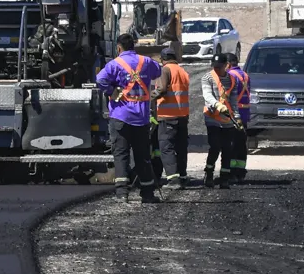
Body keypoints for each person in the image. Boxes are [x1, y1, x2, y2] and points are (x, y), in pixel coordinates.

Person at [96, 33, 163, 202]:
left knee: (121, 155)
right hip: (141, 117)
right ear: (134, 45)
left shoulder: (115, 64)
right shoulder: (145, 62)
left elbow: (100, 79)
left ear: (119, 48)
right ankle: (147, 194)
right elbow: (158, 71)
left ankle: (122, 194)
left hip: (120, 116)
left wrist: (112, 91)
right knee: (142, 156)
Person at [150, 48, 191, 190]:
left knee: (166, 148)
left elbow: (161, 89)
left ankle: (173, 180)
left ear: (163, 59)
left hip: (167, 116)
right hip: (182, 115)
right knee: (181, 148)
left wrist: (149, 97)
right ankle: (183, 176)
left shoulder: (165, 70)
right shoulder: (182, 71)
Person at [201, 52, 241, 189]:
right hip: (212, 118)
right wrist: (217, 105)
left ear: (226, 66)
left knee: (227, 149)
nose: (216, 69)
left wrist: (237, 117)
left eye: (219, 67)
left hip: (227, 119)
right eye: (215, 66)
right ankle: (209, 173)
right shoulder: (207, 78)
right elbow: (207, 96)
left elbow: (234, 101)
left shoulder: (233, 80)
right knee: (215, 146)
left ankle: (225, 178)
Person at [226, 51, 251, 183]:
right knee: (241, 144)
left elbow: (227, 95)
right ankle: (241, 172)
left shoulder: (230, 75)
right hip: (245, 113)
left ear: (228, 64)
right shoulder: (245, 75)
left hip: (234, 114)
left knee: (231, 145)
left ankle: (231, 173)